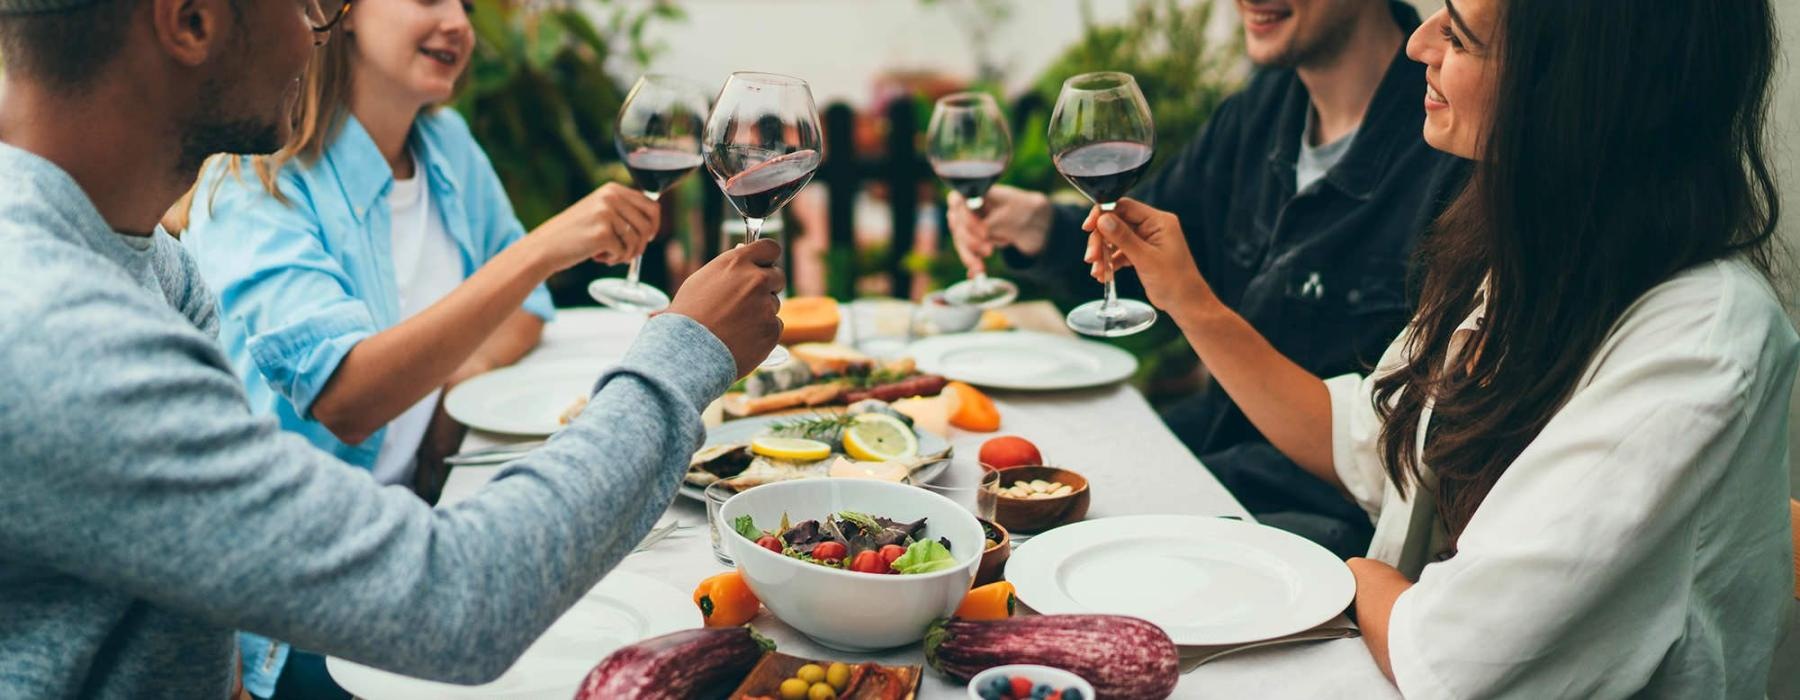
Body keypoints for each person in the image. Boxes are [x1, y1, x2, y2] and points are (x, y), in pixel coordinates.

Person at [0, 0, 784, 697]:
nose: (320, 33)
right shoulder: (59, 337)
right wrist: (683, 354)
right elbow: (457, 601)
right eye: (312, 2)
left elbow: (193, 599)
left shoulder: (140, 258)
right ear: (192, 20)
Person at [1086, 0, 1794, 694]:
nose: (1418, 45)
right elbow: (1365, 438)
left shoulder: (1699, 344)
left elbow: (1455, 656)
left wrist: (1358, 575)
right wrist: (1186, 298)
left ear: (1572, 89)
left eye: (1458, 35)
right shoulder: (1541, 261)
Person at [166, 3, 664, 692]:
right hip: (304, 602)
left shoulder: (445, 144)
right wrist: (542, 249)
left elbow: (526, 312)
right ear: (337, 13)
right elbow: (348, 398)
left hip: (425, 527)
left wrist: (451, 390)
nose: (457, 22)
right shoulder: (254, 183)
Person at [949, 0, 1468, 558]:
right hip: (1209, 463)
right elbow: (1149, 254)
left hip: (1318, 535)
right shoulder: (1257, 113)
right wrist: (1035, 223)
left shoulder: (1455, 152)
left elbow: (1408, 456)